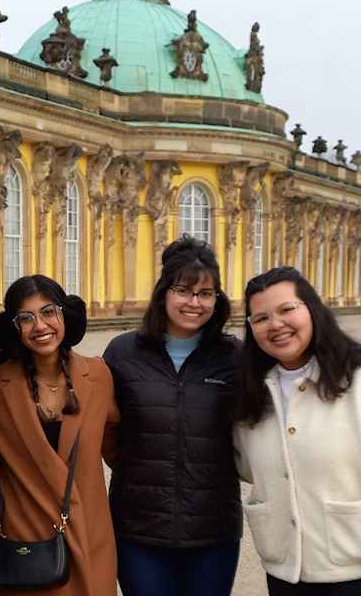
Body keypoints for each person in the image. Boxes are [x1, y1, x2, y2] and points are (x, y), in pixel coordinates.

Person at [233, 267, 361, 596]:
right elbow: (248, 467)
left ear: (312, 309)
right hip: (287, 574)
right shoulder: (253, 390)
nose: (275, 325)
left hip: (360, 573)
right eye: (261, 318)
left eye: (286, 309)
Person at [102, 236, 243, 596]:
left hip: (212, 530)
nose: (194, 303)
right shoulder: (123, 353)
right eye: (183, 291)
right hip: (139, 529)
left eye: (206, 293)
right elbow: (106, 429)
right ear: (163, 293)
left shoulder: (233, 357)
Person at [0, 276, 119, 596]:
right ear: (15, 327)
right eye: (26, 318)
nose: (40, 326)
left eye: (48, 312)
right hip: (29, 541)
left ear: (64, 314)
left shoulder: (97, 375)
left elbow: (118, 446)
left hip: (90, 534)